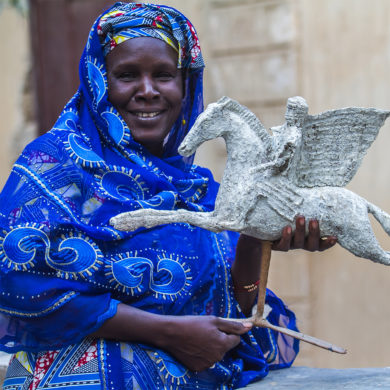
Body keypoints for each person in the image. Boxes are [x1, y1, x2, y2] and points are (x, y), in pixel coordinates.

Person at [0, 3, 336, 389]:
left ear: (186, 85)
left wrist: (256, 239)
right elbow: (15, 279)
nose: (147, 91)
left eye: (164, 75)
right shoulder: (57, 164)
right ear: (98, 81)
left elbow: (231, 315)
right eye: (126, 75)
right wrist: (168, 333)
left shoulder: (196, 192)